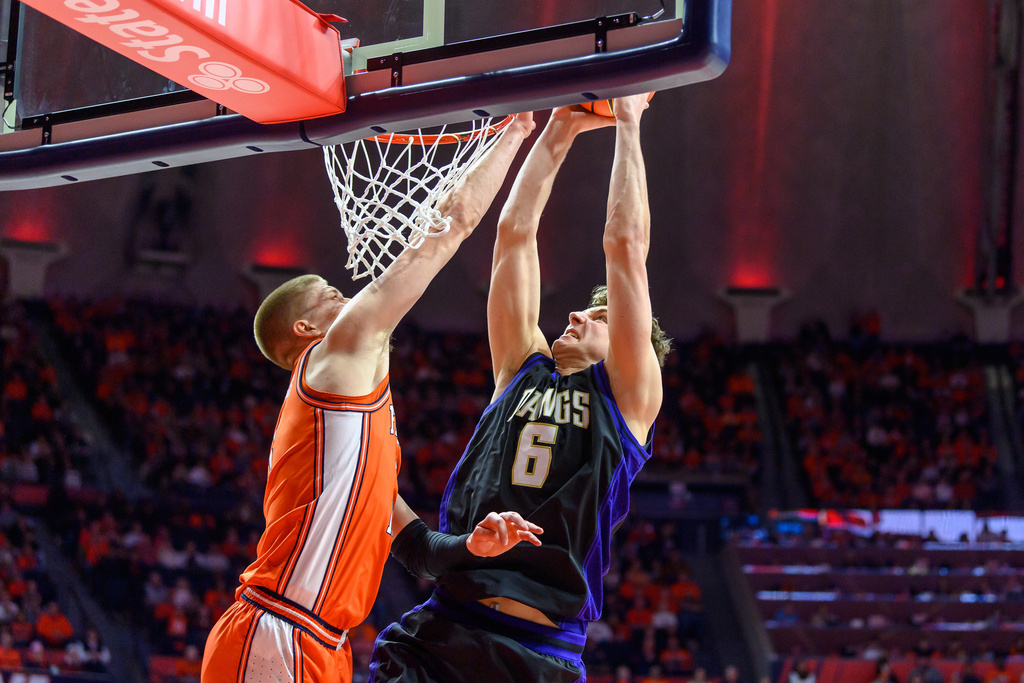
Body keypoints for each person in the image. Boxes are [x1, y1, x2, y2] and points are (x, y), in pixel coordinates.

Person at [201, 112, 542, 683]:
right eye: (332, 295)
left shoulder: (357, 433)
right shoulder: (334, 358)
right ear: (309, 334)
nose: (351, 299)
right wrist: (514, 132)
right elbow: (448, 227)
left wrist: (473, 547)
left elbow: (419, 550)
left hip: (322, 642)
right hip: (278, 626)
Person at [371, 92, 669, 682]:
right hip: (444, 626)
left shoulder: (628, 401)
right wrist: (557, 131)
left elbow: (625, 249)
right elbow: (513, 234)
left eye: (599, 318)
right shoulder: (520, 368)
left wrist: (630, 120)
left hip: (539, 650)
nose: (578, 317)